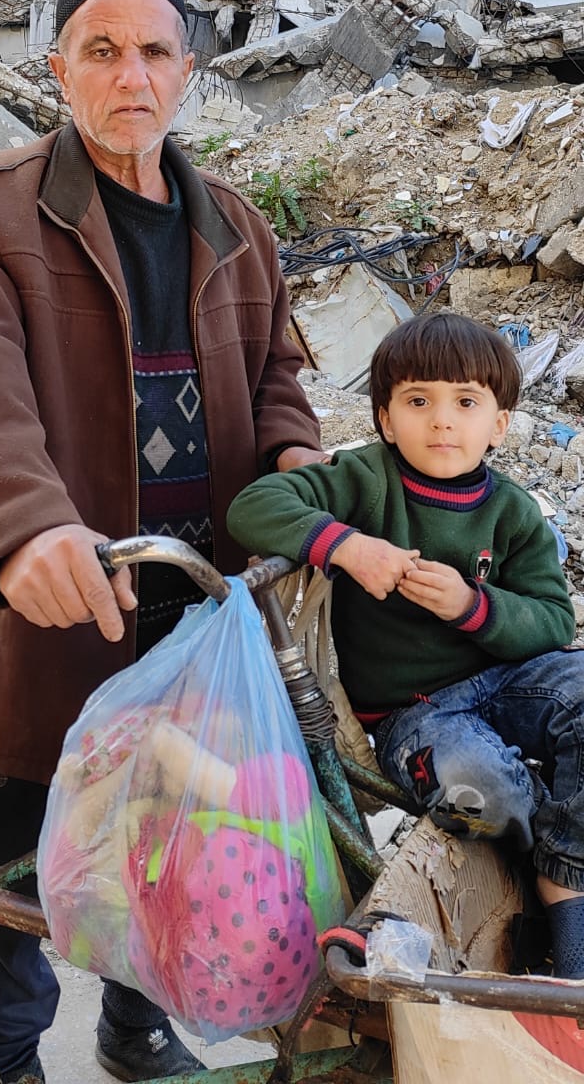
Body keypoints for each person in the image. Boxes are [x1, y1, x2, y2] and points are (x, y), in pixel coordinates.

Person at [0, 0, 326, 1084]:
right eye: (101, 50)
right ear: (60, 69)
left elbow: (283, 369)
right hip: (66, 601)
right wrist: (24, 526)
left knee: (168, 842)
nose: (129, 74)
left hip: (197, 610)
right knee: (21, 850)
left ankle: (136, 1025)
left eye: (153, 50)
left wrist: (298, 461)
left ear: (187, 71)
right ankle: (1, 1049)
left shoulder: (237, 222)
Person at [227, 311, 584, 982]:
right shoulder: (364, 481)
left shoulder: (511, 511)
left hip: (505, 686)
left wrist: (473, 606)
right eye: (418, 401)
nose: (442, 421)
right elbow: (255, 505)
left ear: (499, 424)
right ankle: (530, 876)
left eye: (466, 402)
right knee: (486, 789)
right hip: (415, 714)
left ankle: (566, 907)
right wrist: (347, 545)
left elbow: (552, 622)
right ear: (387, 419)